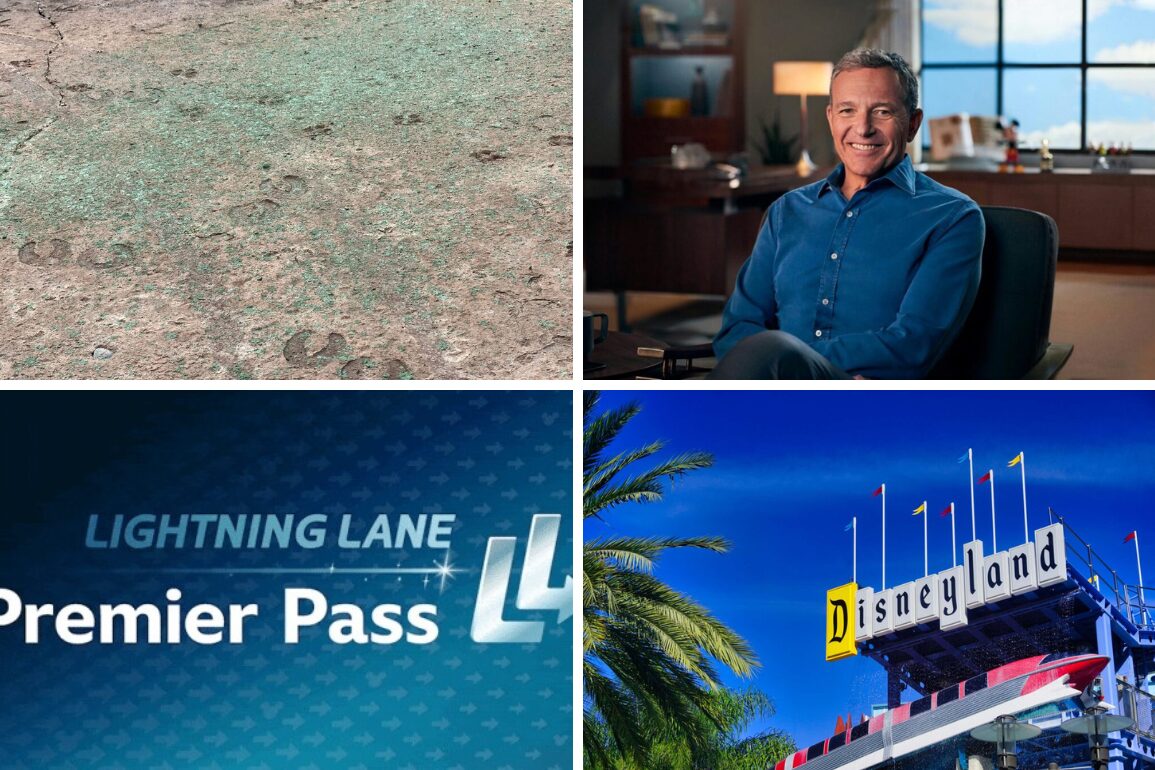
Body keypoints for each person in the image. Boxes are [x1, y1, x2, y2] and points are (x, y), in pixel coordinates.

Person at [710, 49, 984, 379]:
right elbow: (737, 328)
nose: (862, 128)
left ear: (912, 124)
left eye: (882, 112)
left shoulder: (952, 218)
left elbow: (914, 344)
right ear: (831, 119)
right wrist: (782, 365)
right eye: (847, 110)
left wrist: (789, 361)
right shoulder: (786, 212)